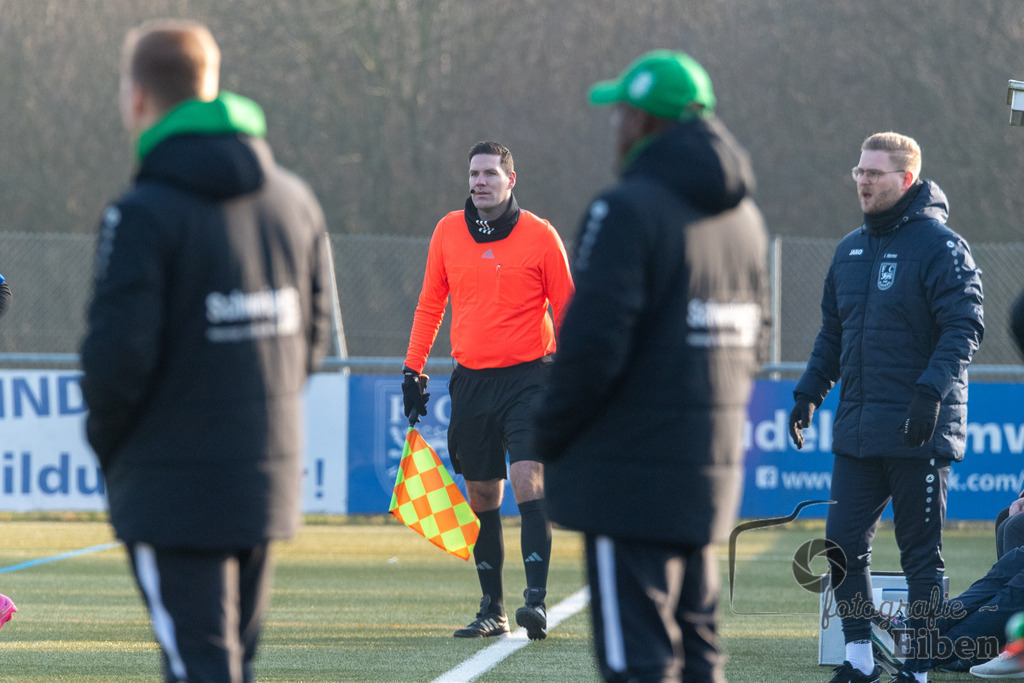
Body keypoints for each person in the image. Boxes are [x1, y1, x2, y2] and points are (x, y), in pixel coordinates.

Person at [79, 19, 331, 683]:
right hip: (260, 478)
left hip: (171, 485)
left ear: (138, 97)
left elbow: (114, 364)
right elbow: (314, 337)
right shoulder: (294, 200)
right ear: (211, 85)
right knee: (226, 663)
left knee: (200, 667)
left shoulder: (143, 212)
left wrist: (114, 451)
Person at [535, 50, 770, 682]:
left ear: (643, 122)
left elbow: (592, 346)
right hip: (703, 469)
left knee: (637, 662)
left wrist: (548, 438)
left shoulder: (628, 209)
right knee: (698, 652)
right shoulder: (745, 218)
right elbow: (754, 341)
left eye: (622, 113)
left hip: (628, 477)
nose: (615, 126)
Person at [788, 132, 984, 683]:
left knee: (921, 556)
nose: (862, 181)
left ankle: (917, 668)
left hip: (920, 429)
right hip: (858, 429)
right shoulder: (848, 249)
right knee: (841, 545)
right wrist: (808, 392)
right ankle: (859, 657)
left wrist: (930, 393)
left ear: (906, 180)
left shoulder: (942, 246)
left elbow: (964, 326)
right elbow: (833, 333)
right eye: (858, 171)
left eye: (874, 173)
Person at [401, 140, 574, 640]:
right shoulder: (447, 231)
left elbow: (567, 309)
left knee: (527, 479)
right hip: (471, 379)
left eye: (490, 174)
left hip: (530, 377)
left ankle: (535, 603)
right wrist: (412, 370)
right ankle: (492, 609)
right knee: (480, 492)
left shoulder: (541, 236)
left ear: (511, 180)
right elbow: (430, 304)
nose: (480, 182)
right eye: (474, 173)